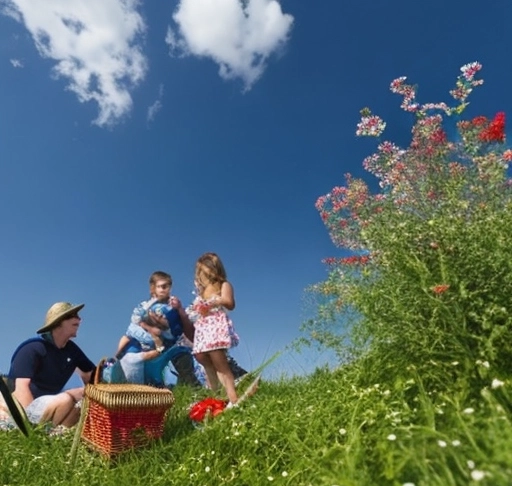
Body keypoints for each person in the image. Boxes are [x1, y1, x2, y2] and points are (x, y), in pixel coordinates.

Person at [2, 302, 95, 429]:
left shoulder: (72, 351)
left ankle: (54, 436)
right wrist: (28, 426)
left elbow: (93, 375)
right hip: (23, 407)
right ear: (58, 323)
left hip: (50, 405)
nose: (79, 319)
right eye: (73, 315)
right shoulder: (32, 348)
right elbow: (21, 389)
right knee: (66, 399)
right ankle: (37, 434)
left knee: (83, 399)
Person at [115, 271, 200, 387]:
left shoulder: (172, 307)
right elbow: (135, 320)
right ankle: (138, 391)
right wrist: (149, 328)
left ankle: (191, 386)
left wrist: (167, 323)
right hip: (144, 347)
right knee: (129, 357)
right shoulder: (145, 305)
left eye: (168, 286)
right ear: (152, 288)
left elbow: (176, 331)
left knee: (183, 354)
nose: (165, 290)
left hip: (165, 347)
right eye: (162, 286)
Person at [191, 252, 241, 406]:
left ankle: (233, 398)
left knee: (220, 363)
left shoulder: (224, 285)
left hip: (215, 326)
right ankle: (216, 396)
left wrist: (215, 301)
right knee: (200, 356)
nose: (201, 276)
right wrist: (199, 308)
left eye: (203, 273)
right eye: (199, 273)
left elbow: (229, 303)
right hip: (204, 328)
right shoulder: (201, 291)